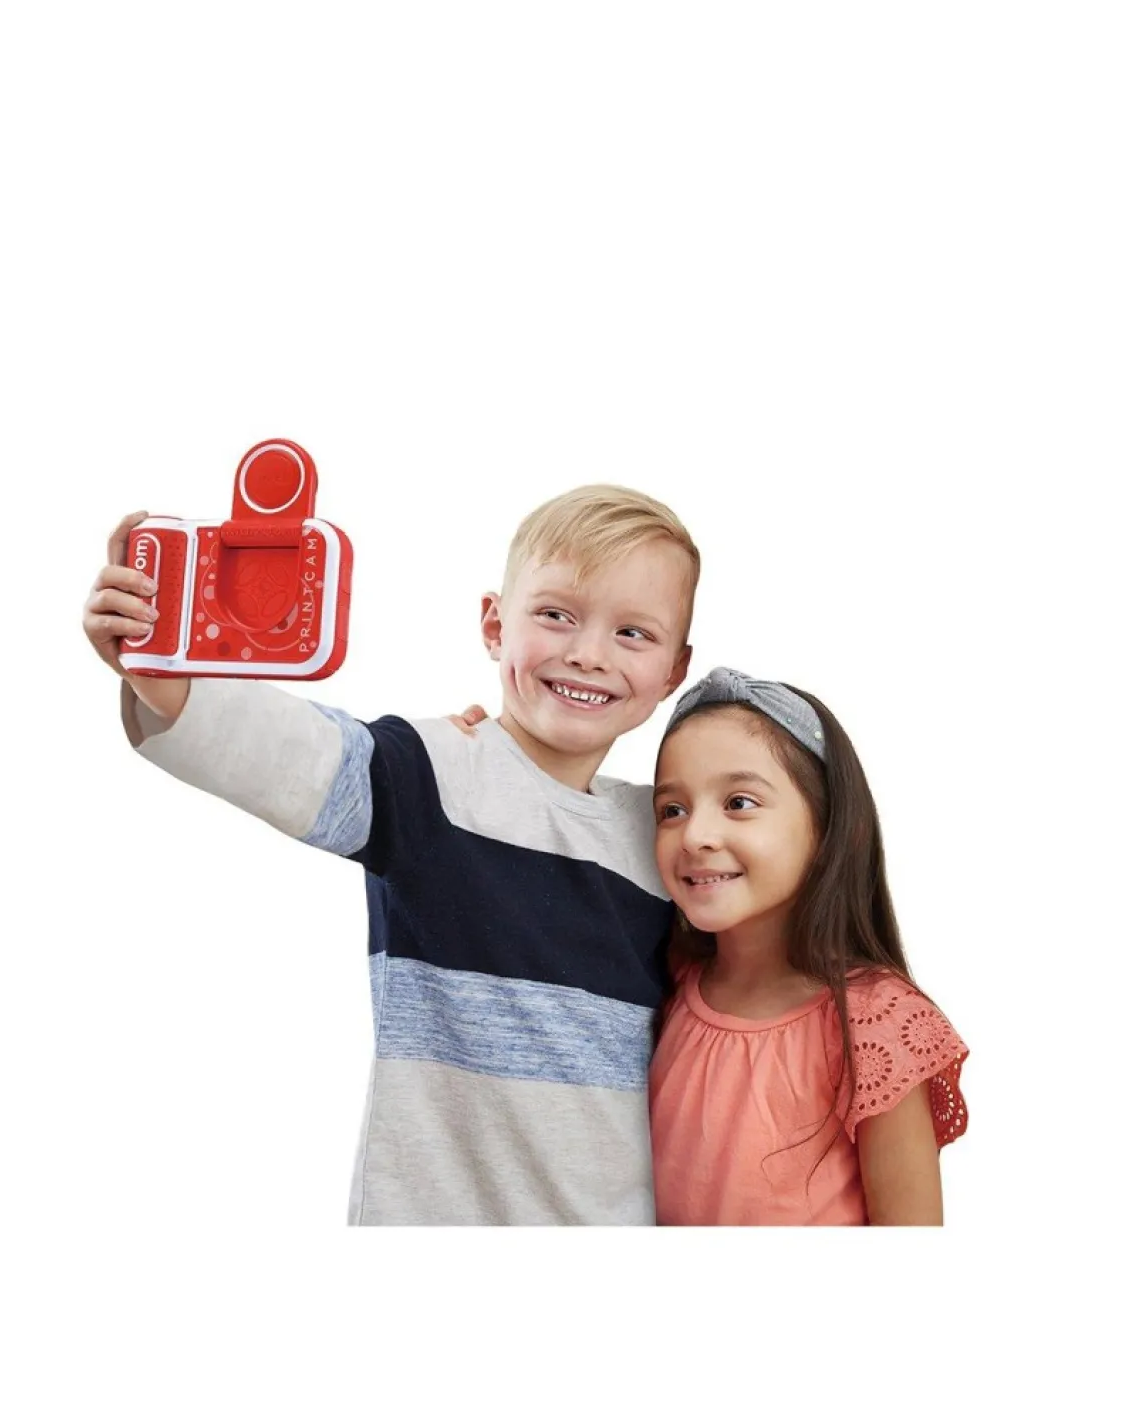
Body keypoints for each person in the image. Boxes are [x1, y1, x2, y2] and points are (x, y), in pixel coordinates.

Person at [82, 485, 698, 1225]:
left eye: (633, 633)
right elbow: (298, 755)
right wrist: (164, 678)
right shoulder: (433, 773)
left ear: (674, 671)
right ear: (494, 625)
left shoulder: (668, 836)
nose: (588, 654)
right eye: (555, 615)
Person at [648, 667, 968, 1225]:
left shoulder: (876, 1021)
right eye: (672, 810)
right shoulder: (663, 981)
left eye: (739, 802)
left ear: (826, 826)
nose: (695, 835)